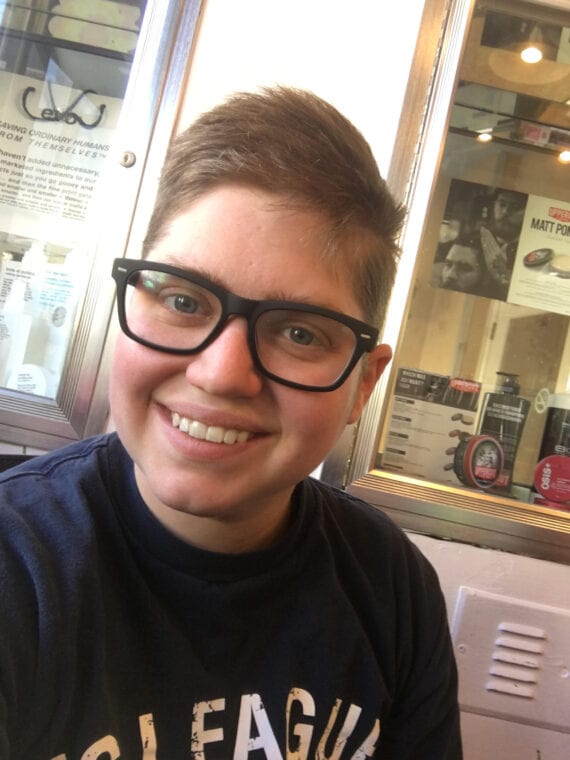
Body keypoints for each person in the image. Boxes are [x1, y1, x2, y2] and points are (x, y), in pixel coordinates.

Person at [0, 87, 462, 758]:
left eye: (300, 332)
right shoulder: (18, 568)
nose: (220, 374)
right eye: (184, 301)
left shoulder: (391, 587)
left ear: (363, 383)